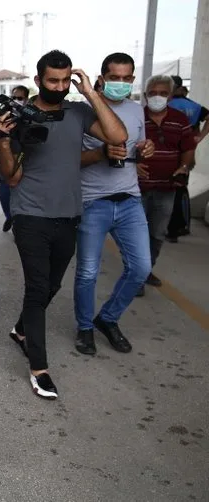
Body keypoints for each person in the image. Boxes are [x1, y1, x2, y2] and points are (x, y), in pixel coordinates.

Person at [0, 50, 127, 399]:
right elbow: (11, 177)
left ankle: (22, 330)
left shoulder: (79, 111)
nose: (60, 86)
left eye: (66, 80)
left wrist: (91, 94)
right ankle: (39, 368)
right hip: (31, 214)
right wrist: (4, 140)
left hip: (68, 214)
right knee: (38, 288)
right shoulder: (20, 116)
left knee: (52, 285)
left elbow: (117, 136)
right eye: (53, 80)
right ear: (38, 80)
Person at [74, 53, 154, 356]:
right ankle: (84, 327)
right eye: (114, 77)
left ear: (132, 80)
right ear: (102, 77)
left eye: (126, 78)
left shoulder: (136, 111)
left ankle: (107, 318)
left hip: (130, 200)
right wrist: (101, 153)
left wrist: (146, 149)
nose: (120, 83)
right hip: (93, 201)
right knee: (87, 272)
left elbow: (138, 147)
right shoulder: (83, 112)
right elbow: (70, 162)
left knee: (140, 268)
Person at [137, 75, 196, 296]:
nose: (157, 97)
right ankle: (137, 276)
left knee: (157, 234)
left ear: (170, 96)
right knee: (136, 234)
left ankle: (145, 270)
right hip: (138, 188)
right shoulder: (137, 117)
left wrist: (184, 166)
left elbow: (188, 148)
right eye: (153, 93)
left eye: (163, 93)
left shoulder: (180, 120)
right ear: (145, 95)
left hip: (167, 188)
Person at [165, 76, 209, 241]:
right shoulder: (194, 106)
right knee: (180, 189)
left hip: (167, 155)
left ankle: (166, 227)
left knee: (163, 191)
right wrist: (200, 137)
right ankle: (178, 228)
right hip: (187, 156)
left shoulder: (167, 105)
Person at [0, 85, 30, 232]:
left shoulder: (30, 115)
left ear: (26, 100)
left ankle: (19, 223)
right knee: (4, 193)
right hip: (6, 161)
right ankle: (9, 217)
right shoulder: (4, 115)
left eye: (20, 98)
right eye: (14, 98)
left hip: (24, 161)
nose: (16, 101)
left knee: (22, 195)